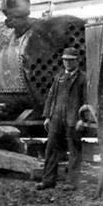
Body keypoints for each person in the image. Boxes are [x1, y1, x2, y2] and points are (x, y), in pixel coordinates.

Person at [38, 47, 87, 191]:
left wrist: (82, 120)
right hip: (57, 118)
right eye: (65, 60)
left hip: (73, 119)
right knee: (51, 149)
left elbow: (86, 100)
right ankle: (47, 181)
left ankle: (71, 182)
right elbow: (51, 97)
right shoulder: (59, 77)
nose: (68, 63)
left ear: (77, 61)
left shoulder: (83, 78)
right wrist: (47, 116)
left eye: (71, 60)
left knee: (74, 151)